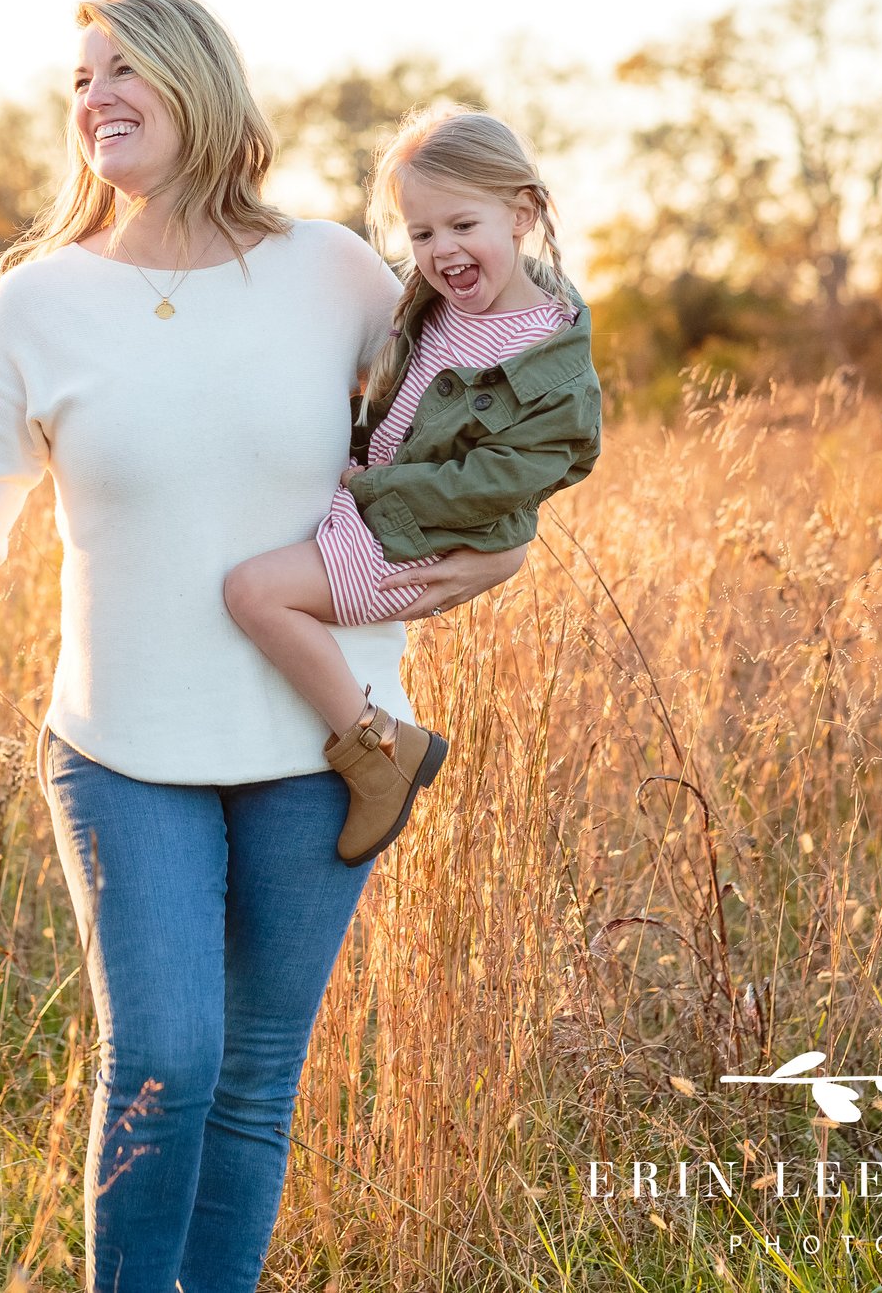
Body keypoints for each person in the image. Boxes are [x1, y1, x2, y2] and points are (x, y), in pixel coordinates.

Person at [0, 0, 527, 1293]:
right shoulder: (38, 305)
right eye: (80, 74)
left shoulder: (334, 270)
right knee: (163, 1055)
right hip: (123, 748)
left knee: (257, 1075)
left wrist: (499, 552)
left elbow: (470, 447)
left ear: (200, 84)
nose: (95, 91)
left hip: (330, 744)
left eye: (124, 66)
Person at [224, 109, 601, 865]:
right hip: (380, 510)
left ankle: (380, 750)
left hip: (414, 536)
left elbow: (504, 477)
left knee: (254, 592)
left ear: (522, 212)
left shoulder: (551, 363)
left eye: (464, 224)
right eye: (422, 234)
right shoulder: (434, 306)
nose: (443, 251)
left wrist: (375, 490)